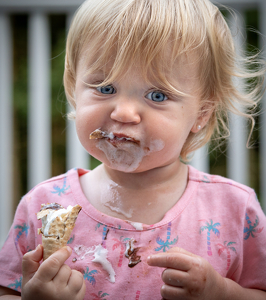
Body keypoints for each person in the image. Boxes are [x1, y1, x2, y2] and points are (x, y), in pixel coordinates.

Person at [0, 0, 266, 299]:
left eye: (157, 94)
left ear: (202, 113)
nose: (124, 113)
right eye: (105, 88)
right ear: (74, 88)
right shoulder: (44, 206)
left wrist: (222, 293)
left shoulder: (234, 208)